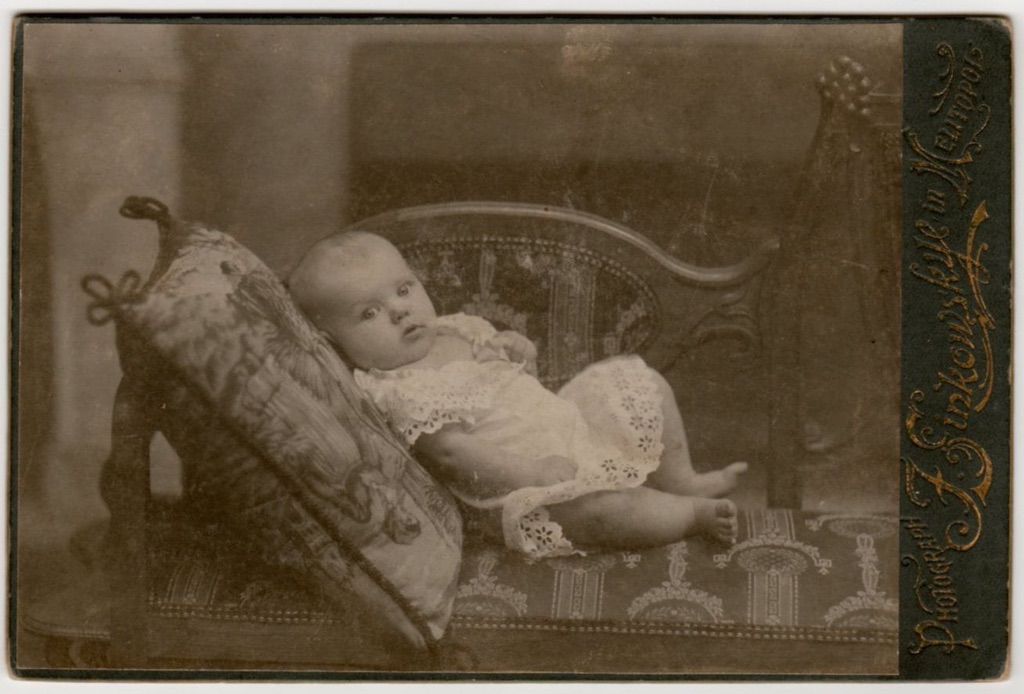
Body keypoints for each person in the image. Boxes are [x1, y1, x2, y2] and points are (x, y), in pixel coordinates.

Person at [288, 231, 746, 559]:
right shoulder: (400, 389)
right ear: (333, 342)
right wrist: (534, 472)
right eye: (369, 313)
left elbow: (519, 383)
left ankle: (680, 479)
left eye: (403, 289)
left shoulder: (455, 329)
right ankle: (690, 515)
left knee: (636, 380)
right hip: (521, 486)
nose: (399, 310)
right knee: (603, 512)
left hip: (568, 426)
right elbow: (452, 453)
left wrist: (518, 351)